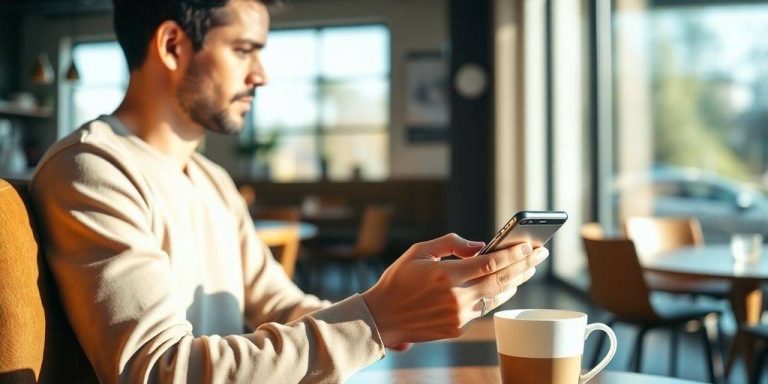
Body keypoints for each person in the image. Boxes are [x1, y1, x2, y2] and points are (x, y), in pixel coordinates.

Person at [29, 0, 549, 383]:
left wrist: (396, 308)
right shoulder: (92, 169)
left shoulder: (211, 179)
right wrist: (375, 318)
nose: (263, 75)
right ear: (171, 45)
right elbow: (161, 370)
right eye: (243, 50)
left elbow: (280, 305)